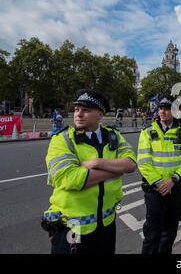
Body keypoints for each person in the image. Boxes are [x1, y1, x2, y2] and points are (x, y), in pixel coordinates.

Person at [42, 89, 137, 254]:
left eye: (86, 110)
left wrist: (97, 162)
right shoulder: (62, 139)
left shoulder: (113, 136)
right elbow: (70, 178)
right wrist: (115, 170)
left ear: (100, 115)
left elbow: (130, 164)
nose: (78, 114)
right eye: (77, 109)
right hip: (72, 227)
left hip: (107, 226)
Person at [138, 95, 181, 254]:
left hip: (175, 188)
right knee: (152, 233)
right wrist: (159, 183)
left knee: (170, 232)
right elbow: (143, 162)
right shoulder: (147, 132)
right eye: (160, 108)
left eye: (167, 108)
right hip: (154, 190)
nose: (162, 111)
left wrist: (173, 180)